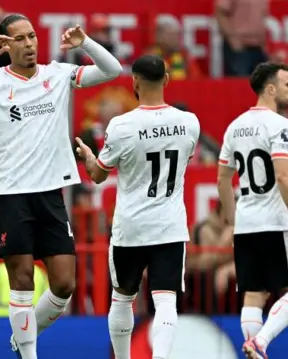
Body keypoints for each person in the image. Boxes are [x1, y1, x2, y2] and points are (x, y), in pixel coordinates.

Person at [0, 13, 122, 359]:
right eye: (20, 39)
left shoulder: (57, 75)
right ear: (6, 45)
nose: (29, 45)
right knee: (22, 279)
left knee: (64, 284)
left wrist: (84, 43)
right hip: (11, 194)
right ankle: (29, 354)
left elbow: (113, 70)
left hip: (50, 193)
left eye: (31, 37)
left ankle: (23, 337)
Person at [76, 55, 200, 359]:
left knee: (121, 299)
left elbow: (98, 175)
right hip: (169, 226)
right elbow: (185, 160)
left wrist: (89, 156)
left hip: (130, 227)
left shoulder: (121, 126)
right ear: (167, 81)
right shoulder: (189, 122)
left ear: (134, 82)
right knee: (166, 301)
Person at [216, 62, 288, 359]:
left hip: (246, 223)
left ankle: (252, 350)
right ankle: (261, 342)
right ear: (270, 89)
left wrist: (233, 223)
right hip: (275, 221)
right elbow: (283, 175)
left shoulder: (234, 126)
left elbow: (222, 179)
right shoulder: (279, 124)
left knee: (254, 294)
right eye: (287, 84)